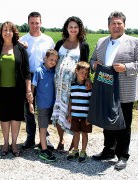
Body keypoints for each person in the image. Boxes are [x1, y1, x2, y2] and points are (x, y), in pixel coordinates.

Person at [90, 11, 138, 170]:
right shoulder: (101, 42)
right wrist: (94, 64)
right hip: (105, 88)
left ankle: (123, 155)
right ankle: (108, 150)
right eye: (113, 24)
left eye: (119, 23)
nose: (116, 26)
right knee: (107, 120)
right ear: (108, 26)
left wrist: (126, 68)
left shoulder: (135, 42)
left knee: (124, 123)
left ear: (124, 25)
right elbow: (92, 59)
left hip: (124, 90)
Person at [51, 16, 91, 152]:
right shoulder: (60, 43)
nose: (73, 29)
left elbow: (85, 65)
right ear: (66, 28)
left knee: (74, 113)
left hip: (73, 87)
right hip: (58, 86)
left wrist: (87, 80)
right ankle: (61, 139)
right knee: (59, 112)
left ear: (79, 29)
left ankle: (74, 142)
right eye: (70, 27)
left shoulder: (83, 45)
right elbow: (53, 60)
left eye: (75, 27)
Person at [20, 11, 55, 150]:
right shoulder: (23, 40)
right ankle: (30, 137)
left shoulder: (48, 40)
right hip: (28, 77)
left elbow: (53, 60)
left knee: (44, 108)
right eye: (32, 23)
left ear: (41, 23)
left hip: (44, 77)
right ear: (28, 23)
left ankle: (45, 138)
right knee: (28, 108)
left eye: (37, 22)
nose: (35, 25)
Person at [0, 21, 31, 157]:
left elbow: (27, 72)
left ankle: (14, 143)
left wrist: (28, 90)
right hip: (2, 89)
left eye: (10, 30)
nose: (7, 32)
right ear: (1, 32)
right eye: (5, 30)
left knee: (16, 116)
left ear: (14, 32)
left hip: (18, 89)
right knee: (4, 117)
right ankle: (5, 143)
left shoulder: (20, 48)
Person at [29, 49, 58, 162]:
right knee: (43, 126)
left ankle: (43, 144)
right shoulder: (39, 71)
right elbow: (33, 88)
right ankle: (44, 150)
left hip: (52, 103)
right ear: (45, 58)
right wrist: (31, 102)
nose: (53, 62)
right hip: (42, 104)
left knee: (47, 125)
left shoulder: (54, 71)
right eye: (51, 59)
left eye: (55, 61)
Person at [66, 61, 92, 163]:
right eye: (82, 72)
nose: (84, 75)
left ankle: (83, 151)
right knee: (75, 133)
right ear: (76, 71)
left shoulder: (88, 86)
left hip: (86, 116)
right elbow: (70, 101)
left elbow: (91, 102)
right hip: (75, 115)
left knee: (84, 134)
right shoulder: (72, 85)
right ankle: (75, 150)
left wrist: (90, 116)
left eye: (86, 74)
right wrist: (69, 114)